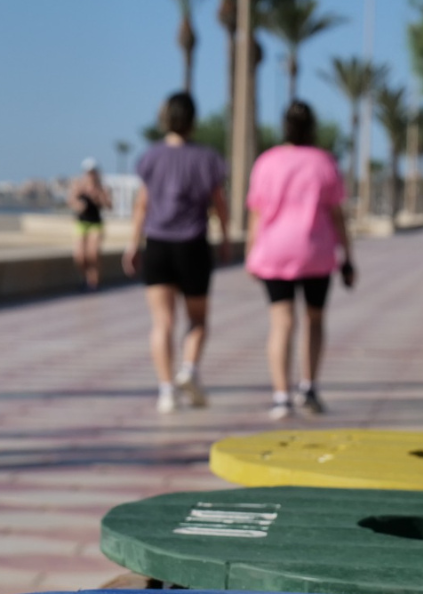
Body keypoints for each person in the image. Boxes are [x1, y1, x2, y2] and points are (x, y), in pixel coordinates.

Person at [245, 101, 354, 420]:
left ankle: (281, 396)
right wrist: (348, 257)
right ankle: (308, 387)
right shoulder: (324, 162)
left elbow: (256, 213)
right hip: (316, 253)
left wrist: (252, 253)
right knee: (315, 320)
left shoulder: (266, 162)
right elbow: (337, 216)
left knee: (281, 322)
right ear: (312, 128)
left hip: (274, 251)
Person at [125, 92, 231, 413]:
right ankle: (189, 369)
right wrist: (226, 237)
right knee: (197, 320)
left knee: (162, 322)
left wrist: (133, 243)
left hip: (157, 245)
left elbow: (142, 205)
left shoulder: (150, 157)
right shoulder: (208, 158)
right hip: (193, 245)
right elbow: (219, 204)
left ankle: (166, 390)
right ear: (193, 120)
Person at [68, 158, 112, 290]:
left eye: (92, 172)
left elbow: (109, 205)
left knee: (93, 253)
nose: (90, 175)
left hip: (95, 223)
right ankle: (85, 278)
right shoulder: (78, 185)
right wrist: (78, 204)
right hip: (81, 223)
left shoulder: (102, 187)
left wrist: (98, 197)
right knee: (79, 256)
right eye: (88, 172)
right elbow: (71, 201)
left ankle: (94, 281)